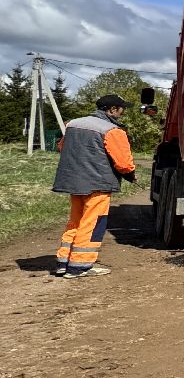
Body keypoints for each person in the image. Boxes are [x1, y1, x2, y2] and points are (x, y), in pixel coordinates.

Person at [52, 94, 136, 279]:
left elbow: (62, 147)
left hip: (74, 181)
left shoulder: (73, 124)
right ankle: (80, 266)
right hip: (98, 184)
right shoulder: (112, 130)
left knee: (75, 220)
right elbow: (124, 163)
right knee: (93, 223)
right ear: (113, 110)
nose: (123, 112)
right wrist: (131, 174)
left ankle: (63, 262)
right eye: (122, 108)